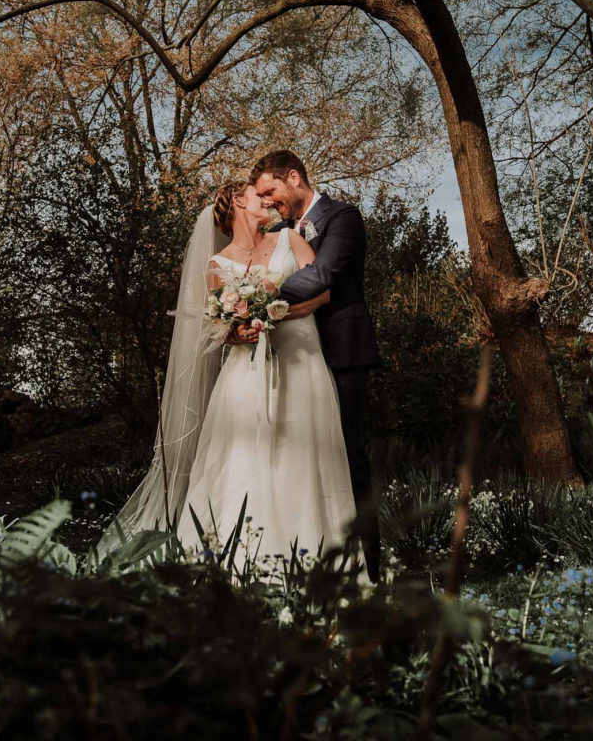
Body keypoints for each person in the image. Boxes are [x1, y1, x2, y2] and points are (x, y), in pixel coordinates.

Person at [97, 178, 366, 580]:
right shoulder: (218, 265)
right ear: (240, 201)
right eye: (259, 195)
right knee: (248, 459)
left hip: (302, 361)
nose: (268, 200)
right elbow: (221, 328)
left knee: (305, 454)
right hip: (244, 374)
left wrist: (271, 312)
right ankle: (240, 565)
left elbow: (323, 294)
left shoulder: (291, 239)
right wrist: (239, 329)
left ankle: (317, 563)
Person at [249, 151, 381, 582]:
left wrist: (256, 294)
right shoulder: (283, 232)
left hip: (342, 352)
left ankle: (370, 564)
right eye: (262, 196)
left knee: (347, 455)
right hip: (299, 356)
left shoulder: (343, 217)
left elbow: (323, 274)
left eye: (270, 191)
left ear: (293, 177)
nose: (267, 201)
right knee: (303, 457)